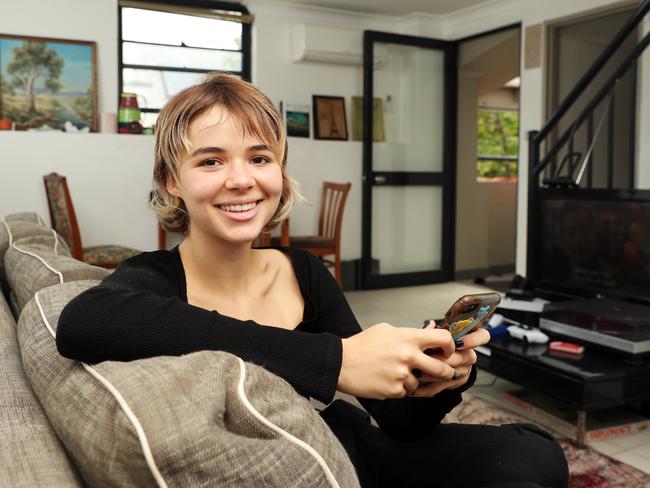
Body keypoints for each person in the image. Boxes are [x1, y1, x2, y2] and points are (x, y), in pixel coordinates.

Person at [57, 74, 568, 488]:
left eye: (260, 158)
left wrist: (436, 378)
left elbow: (395, 422)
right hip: (293, 468)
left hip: (353, 446)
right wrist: (337, 362)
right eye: (211, 161)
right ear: (172, 180)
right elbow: (83, 322)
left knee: (537, 455)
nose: (241, 179)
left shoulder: (302, 271)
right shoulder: (153, 278)